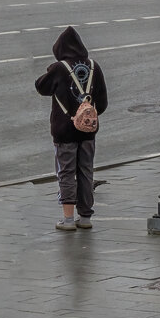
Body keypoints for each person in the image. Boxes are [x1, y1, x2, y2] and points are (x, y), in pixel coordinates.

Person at [35, 26, 108, 231]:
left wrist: (51, 69)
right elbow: (102, 103)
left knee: (66, 172)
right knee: (86, 171)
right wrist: (86, 115)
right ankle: (85, 218)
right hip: (88, 130)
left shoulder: (59, 68)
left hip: (64, 130)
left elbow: (41, 87)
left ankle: (67, 219)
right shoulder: (94, 67)